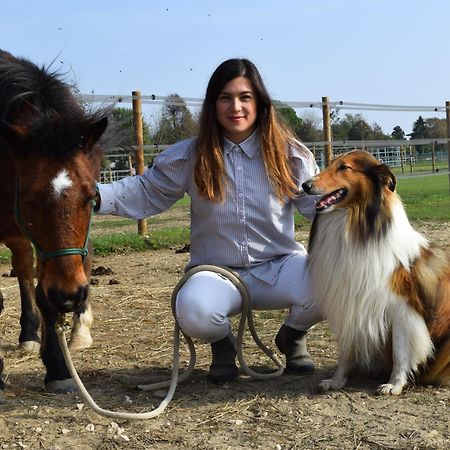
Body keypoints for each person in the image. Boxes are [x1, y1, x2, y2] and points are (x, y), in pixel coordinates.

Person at [95, 58, 323, 383]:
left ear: (260, 102)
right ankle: (222, 345)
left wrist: (356, 197)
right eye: (225, 97)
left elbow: (316, 205)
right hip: (218, 273)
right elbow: (146, 190)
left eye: (245, 97)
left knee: (328, 286)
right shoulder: (190, 156)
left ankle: (292, 336)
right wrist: (95, 195)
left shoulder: (289, 155)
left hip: (280, 266)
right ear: (212, 104)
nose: (236, 107)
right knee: (194, 310)